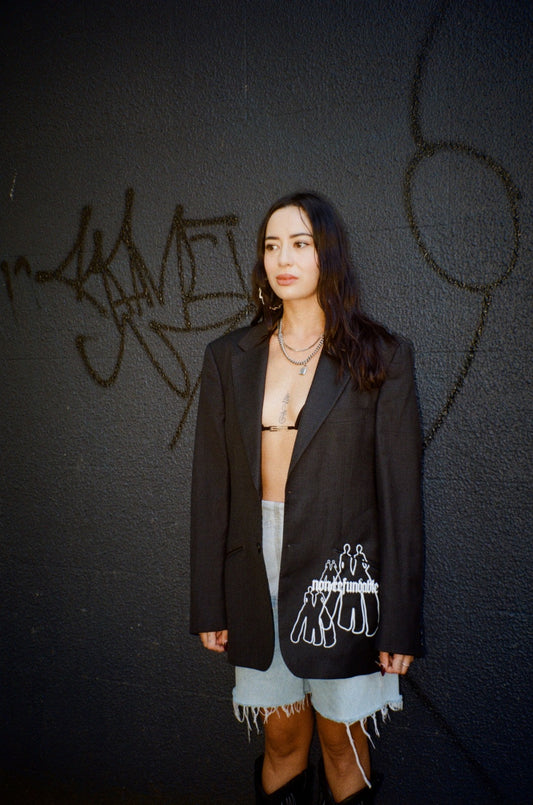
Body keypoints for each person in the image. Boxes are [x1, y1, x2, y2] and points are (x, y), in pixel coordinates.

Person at [190, 191, 424, 804]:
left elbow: (401, 504)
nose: (283, 259)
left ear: (329, 254)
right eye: (272, 246)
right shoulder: (228, 358)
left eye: (300, 243)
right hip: (254, 573)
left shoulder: (381, 357)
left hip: (344, 577)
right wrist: (209, 601)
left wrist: (400, 620)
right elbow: (211, 489)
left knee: (342, 743)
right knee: (282, 739)